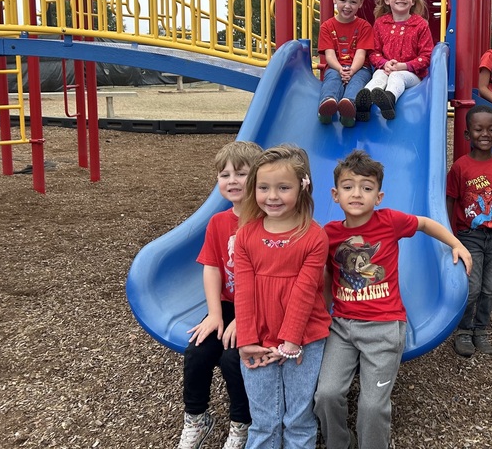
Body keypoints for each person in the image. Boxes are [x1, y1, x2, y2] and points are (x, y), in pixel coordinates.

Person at [314, 150, 471, 449]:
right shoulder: (329, 233)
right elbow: (325, 277)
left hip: (384, 327)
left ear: (379, 196)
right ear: (335, 195)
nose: (357, 193)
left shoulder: (389, 221)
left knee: (372, 407)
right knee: (326, 394)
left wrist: (456, 244)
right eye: (348, 187)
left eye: (367, 187)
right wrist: (324, 313)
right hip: (343, 327)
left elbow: (425, 223)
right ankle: (339, 443)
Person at [233, 145, 331, 449]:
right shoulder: (247, 234)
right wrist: (247, 340)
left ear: (302, 189)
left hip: (304, 338)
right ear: (254, 189)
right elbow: (244, 289)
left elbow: (304, 292)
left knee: (298, 418)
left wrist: (290, 342)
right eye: (264, 187)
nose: (272, 196)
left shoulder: (314, 236)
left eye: (283, 188)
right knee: (263, 419)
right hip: (258, 335)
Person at [178, 141, 262, 449]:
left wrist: (245, 319)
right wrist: (215, 314)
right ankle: (197, 419)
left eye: (241, 173)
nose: (232, 181)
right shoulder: (218, 222)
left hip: (260, 308)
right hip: (227, 305)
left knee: (233, 358)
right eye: (224, 174)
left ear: (257, 177)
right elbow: (212, 268)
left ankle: (242, 423)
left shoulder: (268, 223)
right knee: (197, 352)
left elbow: (268, 280)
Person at [445, 104, 492, 357]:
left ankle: (480, 330)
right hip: (468, 236)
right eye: (478, 129)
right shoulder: (460, 167)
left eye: (491, 129)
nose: (485, 134)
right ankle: (464, 330)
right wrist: (450, 234)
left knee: (489, 288)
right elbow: (451, 200)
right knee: (472, 287)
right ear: (467, 135)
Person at [354, 0, 434, 121]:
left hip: (412, 75)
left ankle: (389, 99)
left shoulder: (420, 25)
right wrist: (385, 64)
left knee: (397, 77)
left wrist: (403, 66)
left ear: (413, 0)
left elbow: (426, 56)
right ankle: (364, 102)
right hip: (386, 69)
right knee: (378, 76)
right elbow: (374, 52)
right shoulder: (380, 23)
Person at [317, 0, 375, 128]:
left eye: (353, 2)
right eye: (343, 0)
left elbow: (361, 54)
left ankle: (348, 108)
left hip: (359, 68)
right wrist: (341, 69)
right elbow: (329, 55)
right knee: (332, 79)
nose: (347, 6)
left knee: (357, 82)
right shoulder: (327, 27)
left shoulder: (364, 26)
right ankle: (327, 106)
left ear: (361, 3)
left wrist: (351, 70)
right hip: (336, 66)